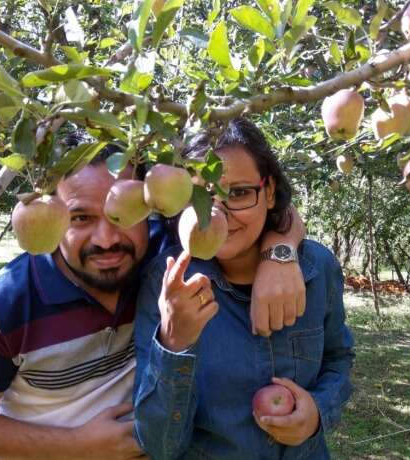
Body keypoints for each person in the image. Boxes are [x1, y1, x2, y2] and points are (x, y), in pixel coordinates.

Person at [0, 134, 308, 459]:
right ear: (50, 212)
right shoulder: (4, 305)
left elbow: (266, 208)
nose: (107, 239)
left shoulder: (165, 258)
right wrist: (79, 447)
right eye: (80, 218)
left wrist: (280, 252)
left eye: (124, 215)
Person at [133, 118, 355, 459]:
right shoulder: (166, 284)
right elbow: (159, 445)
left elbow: (338, 359)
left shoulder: (317, 269)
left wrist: (318, 411)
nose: (218, 215)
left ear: (268, 193)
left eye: (237, 192)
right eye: (201, 197)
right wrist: (175, 343)